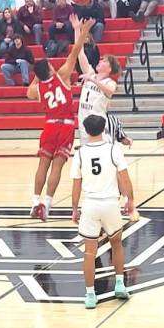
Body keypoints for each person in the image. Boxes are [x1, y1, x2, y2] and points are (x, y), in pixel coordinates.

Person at [26, 17, 95, 221]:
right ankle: (47, 203)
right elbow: (75, 50)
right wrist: (83, 30)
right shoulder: (63, 75)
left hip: (48, 126)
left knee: (42, 165)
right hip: (65, 127)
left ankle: (34, 201)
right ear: (50, 70)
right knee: (57, 166)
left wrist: (38, 75)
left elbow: (28, 90)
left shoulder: (36, 89)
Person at [70, 114, 134, 309]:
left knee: (89, 253)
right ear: (104, 128)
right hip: (110, 204)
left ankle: (90, 295)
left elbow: (76, 183)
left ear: (86, 131)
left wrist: (74, 208)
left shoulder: (80, 153)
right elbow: (124, 178)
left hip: (90, 204)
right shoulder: (114, 149)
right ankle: (120, 284)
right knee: (116, 245)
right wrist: (130, 200)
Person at [76, 48, 129, 147]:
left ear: (109, 69)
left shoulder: (110, 82)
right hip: (83, 125)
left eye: (104, 61)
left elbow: (110, 91)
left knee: (103, 157)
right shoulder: (90, 73)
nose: (100, 61)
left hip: (99, 126)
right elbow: (80, 53)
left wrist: (92, 80)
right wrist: (78, 32)